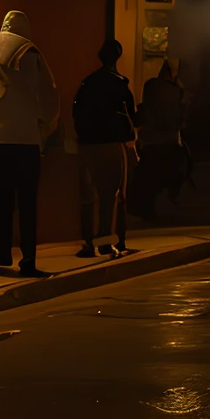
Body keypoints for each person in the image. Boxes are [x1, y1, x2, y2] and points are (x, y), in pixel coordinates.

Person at [0, 10, 58, 276]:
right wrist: (43, 126)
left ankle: (3, 253)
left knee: (1, 200)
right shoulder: (32, 52)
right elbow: (50, 94)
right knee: (28, 202)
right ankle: (28, 259)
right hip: (27, 140)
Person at [72, 38, 136, 257]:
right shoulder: (120, 84)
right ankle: (108, 243)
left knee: (88, 197)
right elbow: (130, 118)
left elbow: (77, 113)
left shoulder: (87, 83)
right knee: (112, 196)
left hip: (88, 145)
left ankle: (88, 243)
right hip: (111, 145)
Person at [132, 60, 190, 218]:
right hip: (168, 141)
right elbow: (181, 115)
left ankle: (147, 210)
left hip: (151, 141)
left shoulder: (152, 86)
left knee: (149, 180)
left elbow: (145, 112)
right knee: (164, 176)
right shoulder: (178, 91)